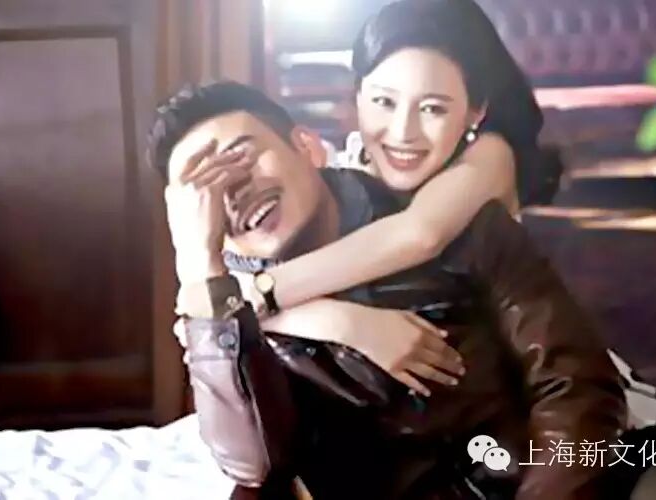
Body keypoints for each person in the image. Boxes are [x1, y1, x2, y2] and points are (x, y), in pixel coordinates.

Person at [155, 80, 626, 499]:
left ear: (306, 147)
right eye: (204, 189)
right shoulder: (222, 321)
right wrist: (201, 266)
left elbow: (575, 388)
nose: (233, 191)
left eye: (239, 156)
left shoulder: (452, 220)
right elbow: (254, 465)